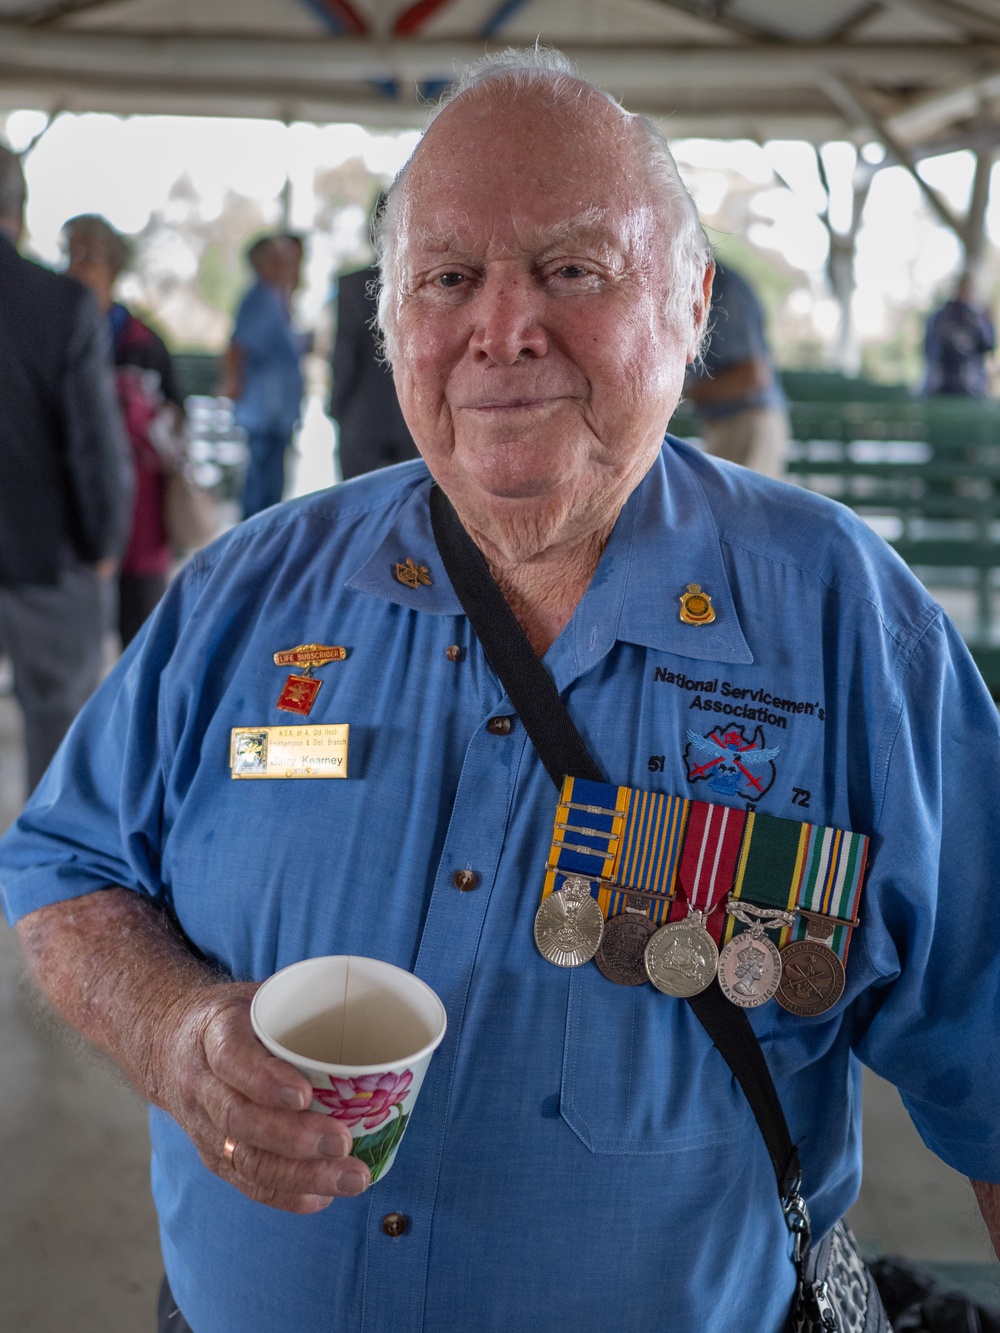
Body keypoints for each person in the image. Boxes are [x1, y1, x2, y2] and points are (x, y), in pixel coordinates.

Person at [1, 49, 1000, 1333]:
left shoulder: (844, 623)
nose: (504, 327)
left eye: (573, 270)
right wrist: (175, 1032)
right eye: (449, 279)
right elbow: (65, 865)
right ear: (389, 327)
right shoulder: (243, 598)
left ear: (692, 305)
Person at [0, 146, 131, 796]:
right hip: (44, 560)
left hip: (39, 555)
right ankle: (41, 897)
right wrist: (104, 541)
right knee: (58, 755)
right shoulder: (57, 305)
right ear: (17, 212)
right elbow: (92, 445)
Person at [64, 213, 186, 646]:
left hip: (141, 520)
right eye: (70, 254)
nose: (75, 267)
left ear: (114, 267)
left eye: (88, 257)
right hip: (74, 522)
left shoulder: (144, 343)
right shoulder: (52, 336)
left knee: (141, 638)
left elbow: (178, 415)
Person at [330, 195, 418, 479]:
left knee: (356, 507)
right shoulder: (431, 282)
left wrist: (336, 406)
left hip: (362, 413)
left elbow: (345, 357)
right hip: (415, 415)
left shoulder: (352, 286)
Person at [222, 234, 308, 518]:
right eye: (276, 258)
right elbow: (238, 346)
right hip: (264, 408)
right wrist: (234, 382)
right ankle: (255, 542)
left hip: (277, 409)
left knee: (271, 480)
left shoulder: (277, 297)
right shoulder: (259, 299)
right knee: (261, 482)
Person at [684, 260, 789, 477]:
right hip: (732, 424)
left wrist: (681, 392)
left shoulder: (722, 286)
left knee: (738, 510)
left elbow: (752, 376)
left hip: (746, 425)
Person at [922, 273, 995, 397]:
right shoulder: (977, 318)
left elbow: (928, 351)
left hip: (947, 388)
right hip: (960, 388)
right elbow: (989, 347)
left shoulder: (939, 315)